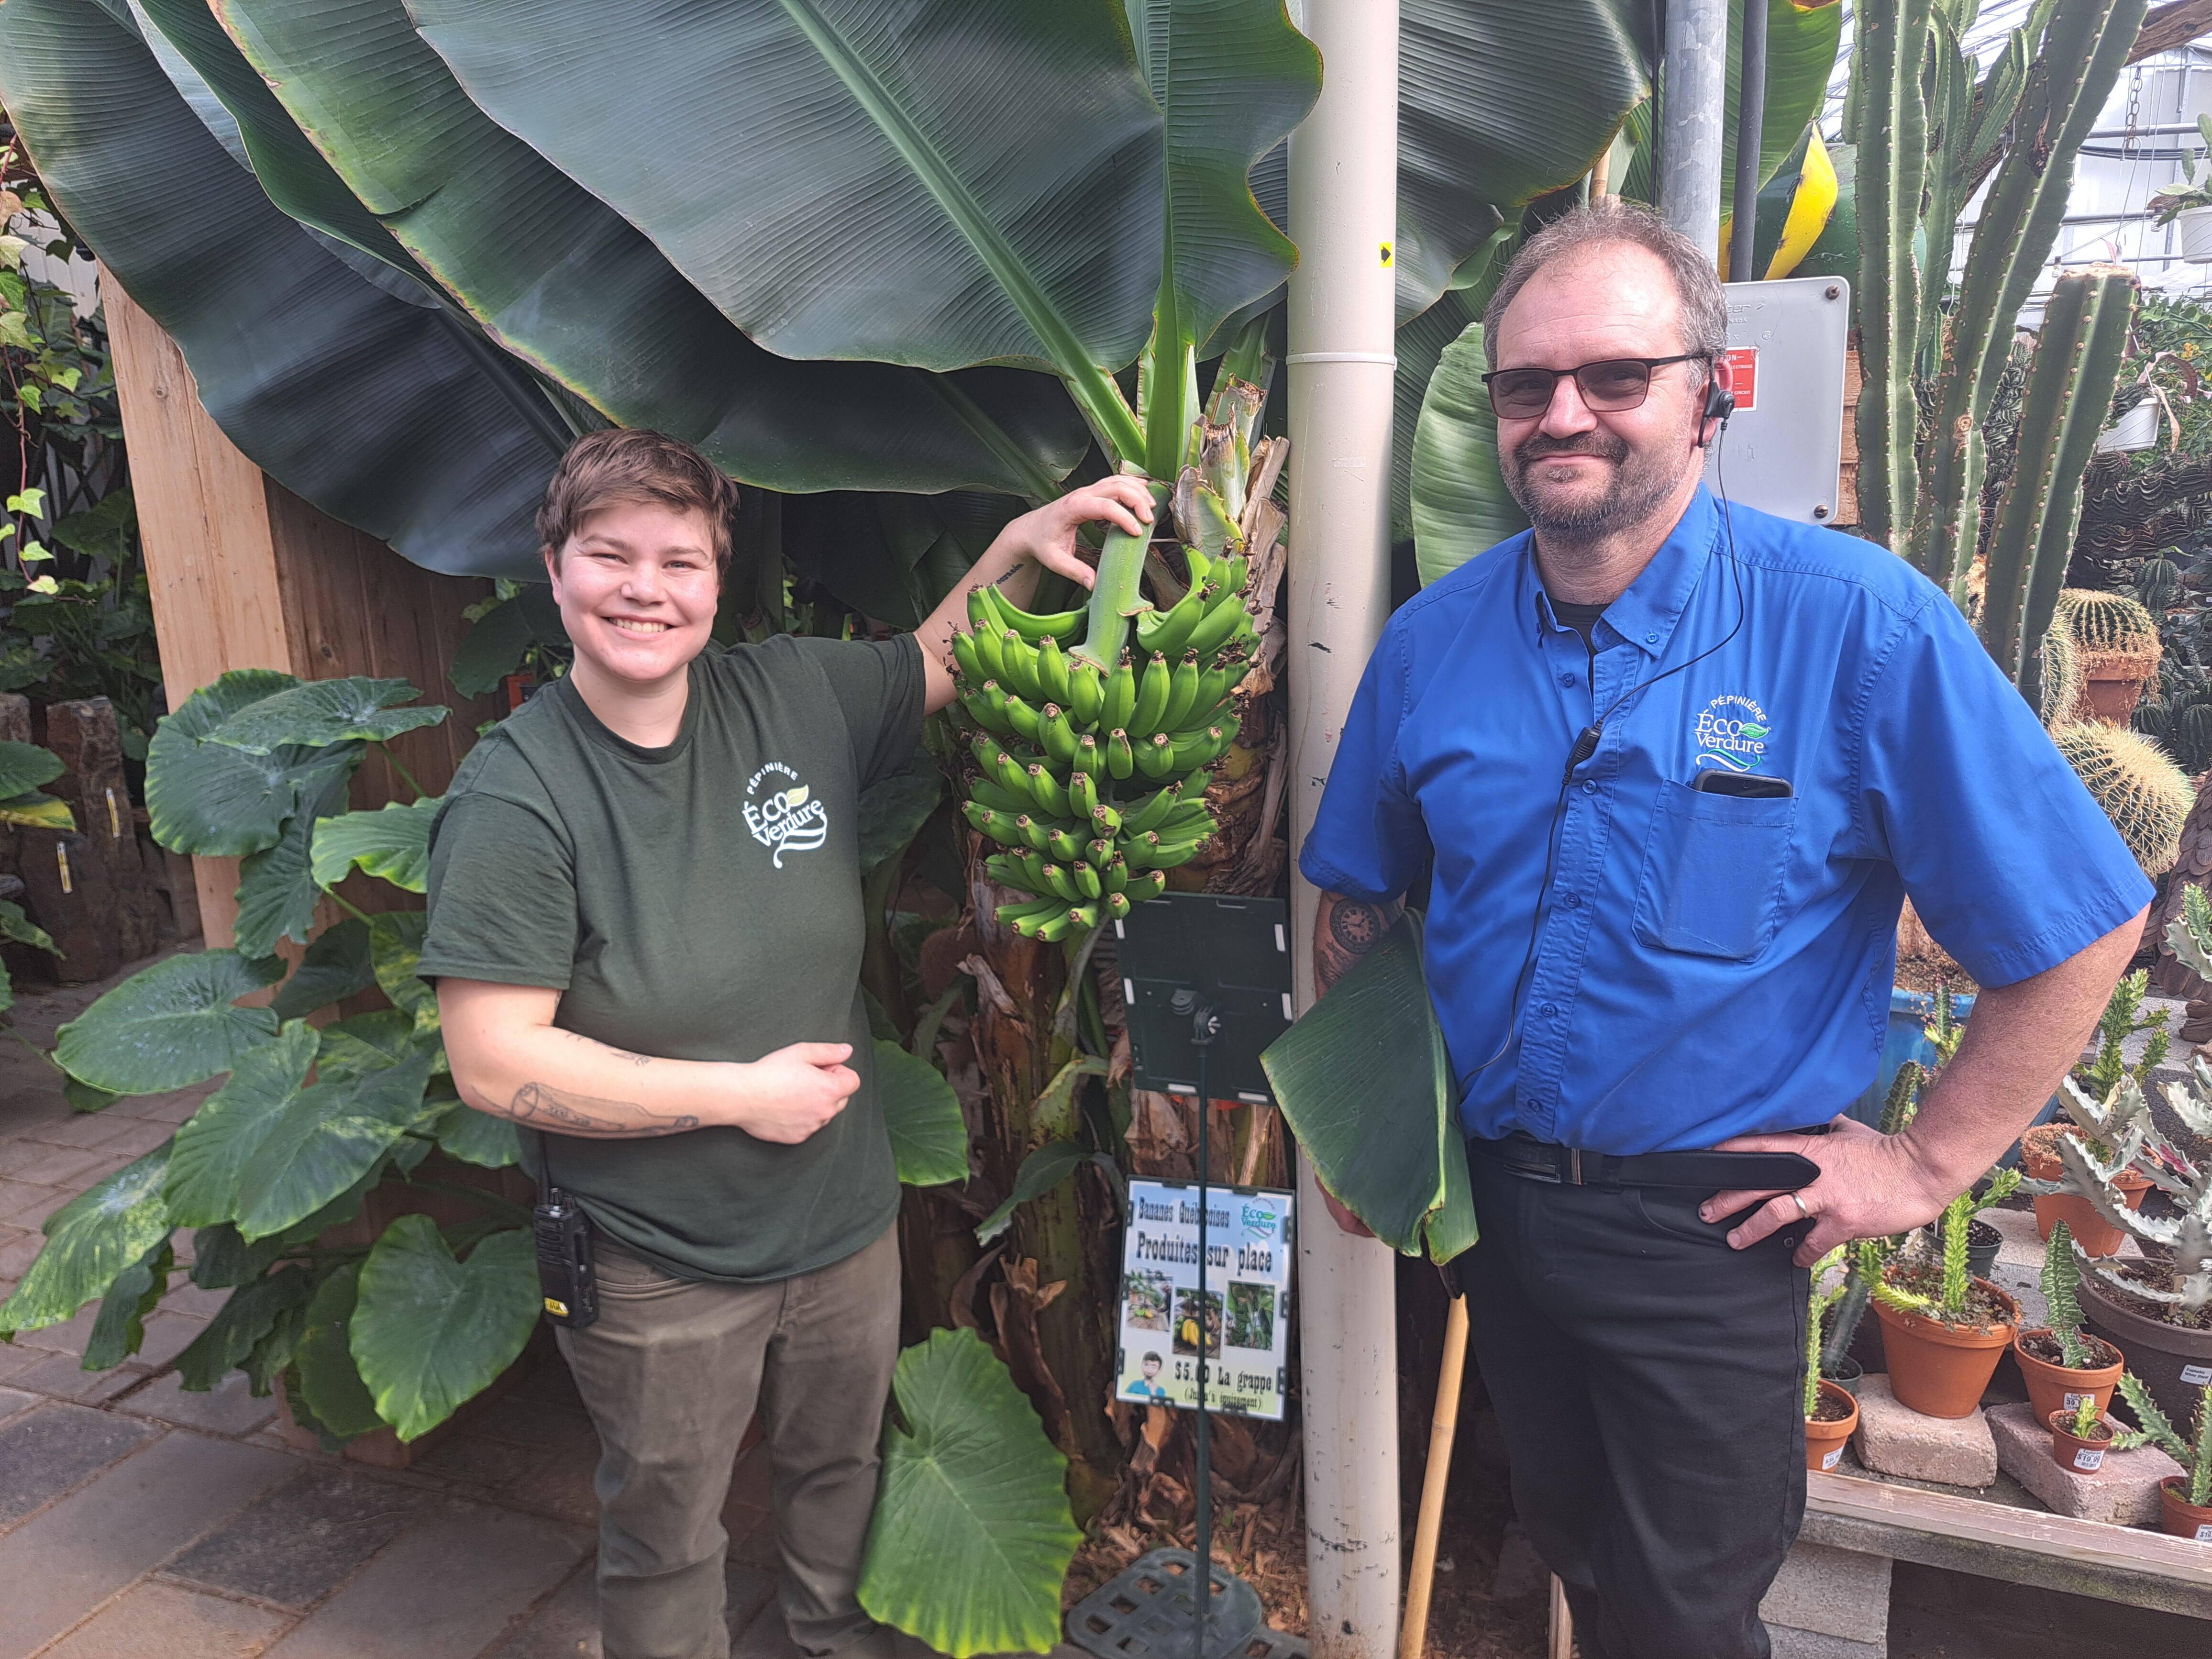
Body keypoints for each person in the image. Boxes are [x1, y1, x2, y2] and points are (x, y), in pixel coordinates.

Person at [1299, 203, 2149, 1659]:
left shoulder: (1855, 627)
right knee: (1574, 1553)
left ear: (1713, 394)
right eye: (1526, 384)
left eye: (1614, 377)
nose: (1563, 413)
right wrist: (1370, 1126)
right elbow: (1360, 899)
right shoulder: (1436, 643)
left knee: (1689, 1616)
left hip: (1710, 1230)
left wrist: (1931, 1160)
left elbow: (2082, 920)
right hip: (1501, 1214)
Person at [425, 428, 1153, 1659]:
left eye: (680, 560)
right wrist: (734, 1096)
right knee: (666, 1536)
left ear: (716, 579)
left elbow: (935, 657)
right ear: (554, 571)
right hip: (658, 1258)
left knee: (838, 1481)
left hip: (840, 1223)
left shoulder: (788, 694)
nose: (645, 589)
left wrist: (1018, 549)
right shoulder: (519, 794)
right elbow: (495, 1059)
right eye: (609, 556)